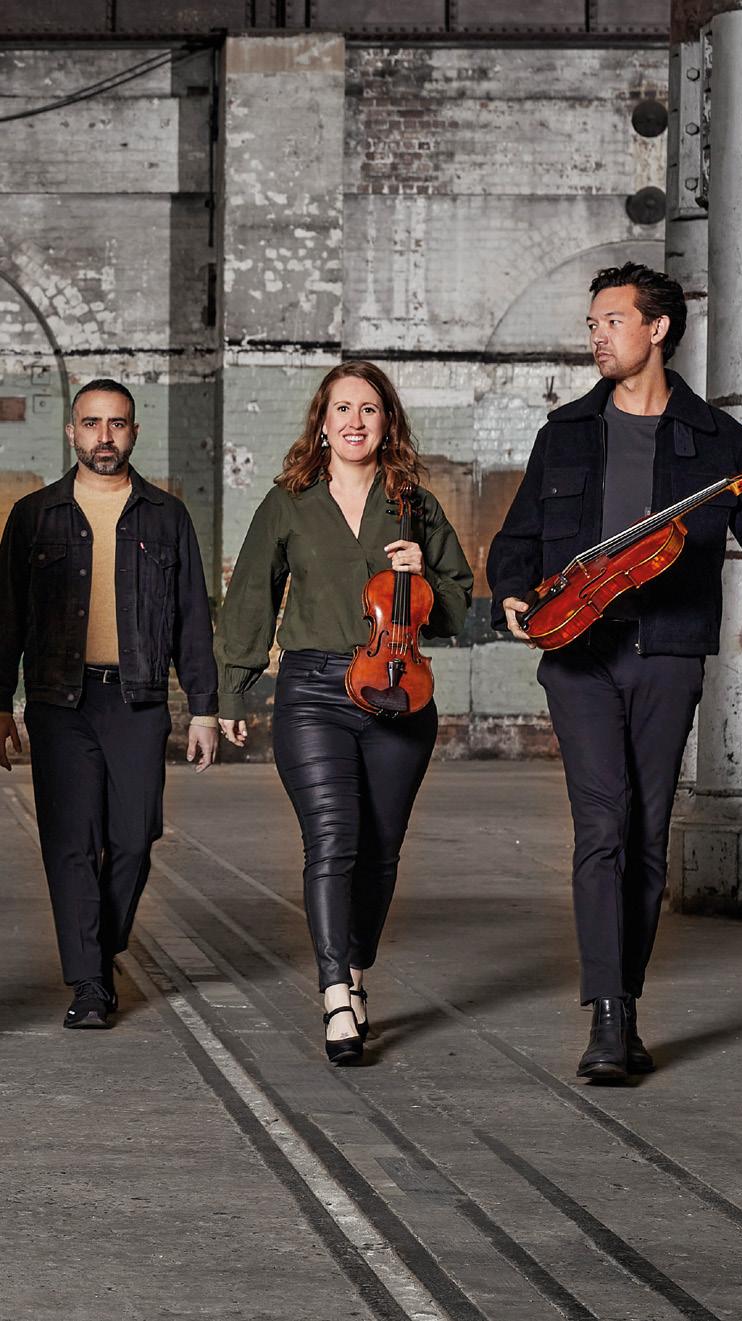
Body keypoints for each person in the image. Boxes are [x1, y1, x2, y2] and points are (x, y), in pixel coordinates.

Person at [487, 263, 742, 1082]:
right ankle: (607, 1017)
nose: (597, 336)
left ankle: (625, 1000)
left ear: (658, 328)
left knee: (644, 837)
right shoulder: (566, 432)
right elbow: (516, 541)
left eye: (612, 321)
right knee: (602, 826)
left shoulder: (716, 439)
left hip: (667, 653)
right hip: (579, 654)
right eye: (593, 323)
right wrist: (510, 593)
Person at [215, 361, 472, 1065]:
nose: (355, 421)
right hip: (313, 692)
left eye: (369, 409)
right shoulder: (289, 502)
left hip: (399, 690)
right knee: (332, 839)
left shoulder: (415, 505)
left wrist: (422, 574)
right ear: (322, 423)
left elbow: (457, 601)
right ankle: (334, 993)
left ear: (387, 422)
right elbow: (250, 597)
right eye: (342, 409)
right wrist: (233, 689)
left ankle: (355, 970)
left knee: (381, 850)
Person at [0, 378, 219, 1028]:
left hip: (137, 698)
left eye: (116, 423)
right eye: (91, 423)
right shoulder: (34, 516)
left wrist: (203, 706)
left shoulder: (166, 516)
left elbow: (192, 617)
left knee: (134, 836)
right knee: (69, 841)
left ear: (133, 432)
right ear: (72, 432)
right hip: (59, 701)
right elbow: (6, 618)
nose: (104, 436)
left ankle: (97, 946)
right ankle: (91, 983)